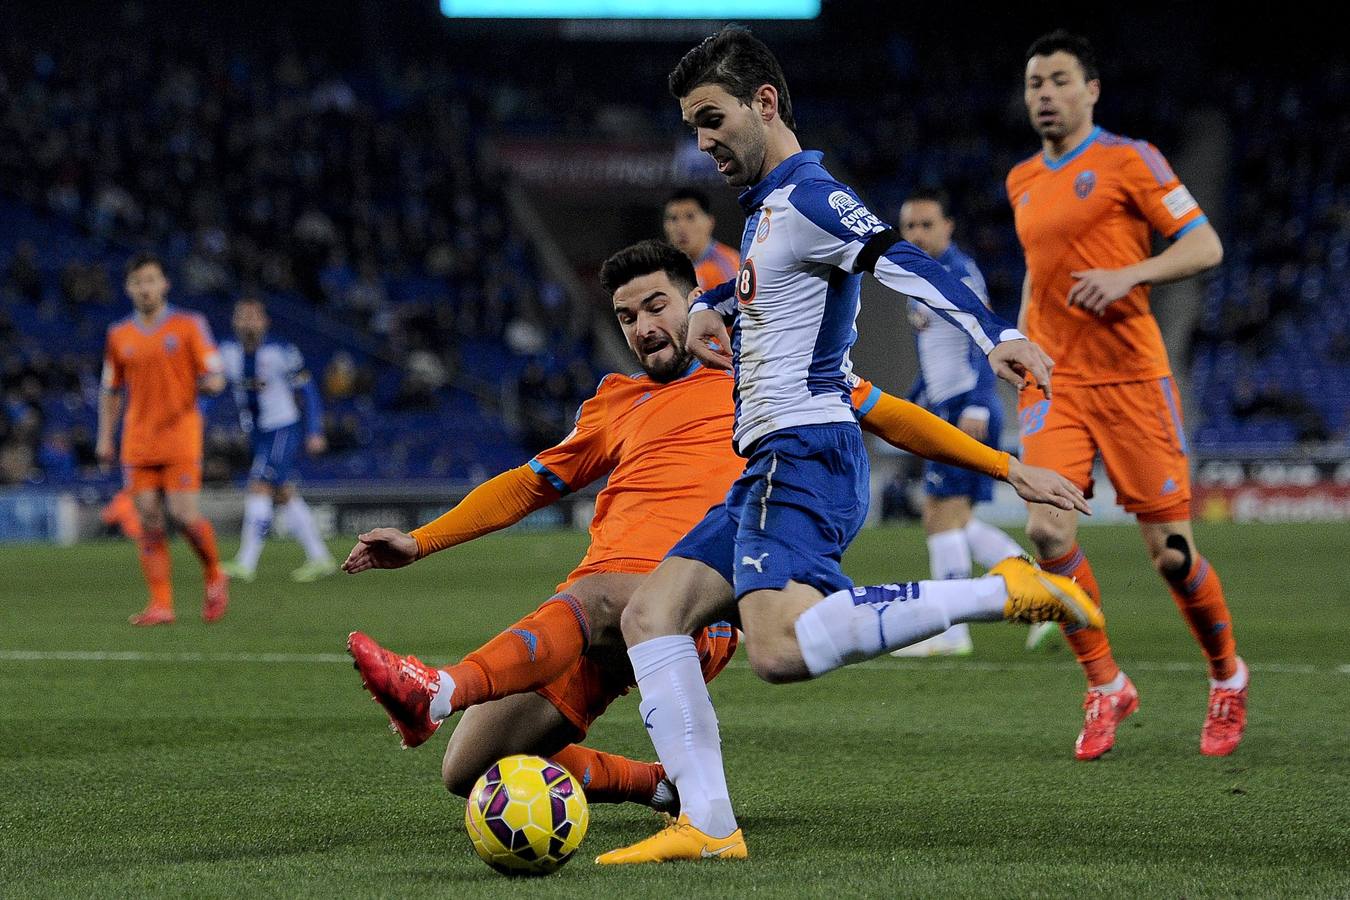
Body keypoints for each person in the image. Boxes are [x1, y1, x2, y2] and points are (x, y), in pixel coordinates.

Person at [340, 240, 1086, 811]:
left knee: (616, 602)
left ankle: (435, 689)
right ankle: (660, 789)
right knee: (469, 771)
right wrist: (421, 539)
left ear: (696, 300)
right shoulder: (613, 401)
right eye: (627, 317)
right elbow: (528, 485)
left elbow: (887, 413)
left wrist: (1005, 466)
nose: (643, 327)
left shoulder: (760, 366)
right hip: (588, 606)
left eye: (657, 306)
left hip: (688, 601)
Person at [597, 28, 1098, 865]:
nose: (702, 143)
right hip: (779, 460)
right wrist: (711, 301)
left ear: (765, 104)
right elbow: (765, 284)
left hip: (799, 452)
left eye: (712, 118)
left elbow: (898, 257)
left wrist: (994, 334)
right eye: (692, 127)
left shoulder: (809, 197)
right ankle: (709, 824)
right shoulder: (767, 212)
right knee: (653, 614)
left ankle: (996, 590)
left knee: (779, 649)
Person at [1009, 30, 1242, 759]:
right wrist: (1020, 337)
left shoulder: (1129, 159)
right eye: (1034, 83)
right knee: (1048, 534)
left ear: (1091, 90)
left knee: (1171, 555)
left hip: (1134, 380)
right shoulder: (1021, 178)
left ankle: (1227, 676)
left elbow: (1206, 246)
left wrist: (1129, 276)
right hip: (1057, 382)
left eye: (1057, 80)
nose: (1044, 94)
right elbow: (1035, 270)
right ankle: (1105, 683)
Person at [891, 187, 1055, 657]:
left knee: (941, 516)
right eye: (909, 227)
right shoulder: (918, 278)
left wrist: (980, 403)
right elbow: (936, 357)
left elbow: (984, 336)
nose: (918, 235)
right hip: (946, 405)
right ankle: (1040, 589)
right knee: (954, 520)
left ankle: (951, 631)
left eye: (927, 225)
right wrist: (909, 403)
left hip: (967, 406)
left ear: (948, 228)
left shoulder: (958, 273)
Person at [97, 252, 229, 625]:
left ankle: (215, 574)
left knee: (182, 514)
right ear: (128, 288)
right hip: (137, 441)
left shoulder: (190, 325)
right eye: (138, 282)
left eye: (151, 280)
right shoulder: (117, 335)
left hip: (180, 435)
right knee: (149, 519)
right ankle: (161, 604)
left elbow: (215, 371)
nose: (145, 288)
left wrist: (214, 383)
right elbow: (110, 389)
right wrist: (105, 437)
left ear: (164, 284)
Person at [218, 297, 336, 583]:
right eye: (242, 316)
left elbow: (308, 393)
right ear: (234, 321)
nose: (248, 322)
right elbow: (212, 389)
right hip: (256, 432)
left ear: (265, 322)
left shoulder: (282, 351)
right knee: (283, 493)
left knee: (259, 485)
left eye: (254, 316)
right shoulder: (226, 352)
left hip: (283, 428)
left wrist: (314, 431)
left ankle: (245, 563)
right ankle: (320, 557)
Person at [662, 187, 741, 290]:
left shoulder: (728, 266)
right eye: (673, 218)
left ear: (709, 222)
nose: (681, 226)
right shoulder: (661, 268)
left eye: (690, 217)